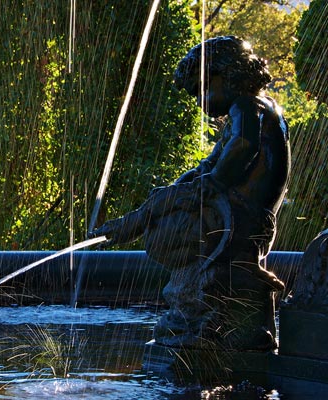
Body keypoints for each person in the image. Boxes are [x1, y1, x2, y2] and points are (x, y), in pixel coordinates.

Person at [90, 36, 290, 351]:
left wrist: (208, 186)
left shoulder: (247, 105)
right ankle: (135, 223)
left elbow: (243, 146)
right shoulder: (257, 109)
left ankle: (132, 227)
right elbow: (205, 167)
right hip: (240, 214)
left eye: (203, 89)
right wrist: (178, 191)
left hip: (237, 216)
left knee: (165, 228)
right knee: (161, 202)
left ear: (228, 73)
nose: (200, 100)